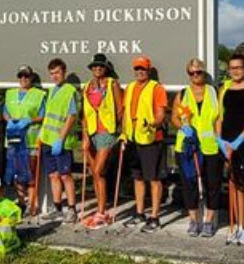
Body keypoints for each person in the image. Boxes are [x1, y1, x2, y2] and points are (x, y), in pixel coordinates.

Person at [171, 58, 221, 237]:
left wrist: (221, 139)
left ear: (203, 72)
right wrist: (183, 127)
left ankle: (209, 220)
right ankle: (193, 220)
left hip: (210, 146)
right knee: (189, 184)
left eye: (198, 72)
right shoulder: (183, 94)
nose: (195, 75)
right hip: (187, 147)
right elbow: (175, 117)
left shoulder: (214, 92)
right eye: (191, 72)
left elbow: (220, 118)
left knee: (213, 184)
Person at [215, 53, 244, 244]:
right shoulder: (224, 88)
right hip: (228, 143)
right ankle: (238, 224)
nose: (235, 71)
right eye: (232, 67)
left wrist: (240, 139)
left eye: (239, 67)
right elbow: (219, 117)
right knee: (235, 185)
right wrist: (220, 140)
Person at [121, 55, 168, 233]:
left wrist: (153, 124)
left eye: (143, 69)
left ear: (148, 70)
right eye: (137, 69)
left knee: (154, 178)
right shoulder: (130, 87)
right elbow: (126, 112)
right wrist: (124, 133)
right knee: (138, 177)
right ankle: (139, 213)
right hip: (133, 138)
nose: (140, 72)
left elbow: (161, 113)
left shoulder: (156, 88)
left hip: (151, 138)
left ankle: (155, 216)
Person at [80, 53, 123, 228]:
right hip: (92, 132)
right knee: (94, 173)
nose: (97, 69)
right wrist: (84, 136)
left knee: (98, 171)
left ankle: (101, 211)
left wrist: (122, 131)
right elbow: (84, 114)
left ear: (105, 68)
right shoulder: (87, 86)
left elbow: (120, 109)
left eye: (100, 66)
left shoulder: (112, 84)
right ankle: (100, 207)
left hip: (107, 131)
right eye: (94, 66)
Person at [38, 58, 80, 223]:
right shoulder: (52, 91)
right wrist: (42, 135)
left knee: (65, 176)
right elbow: (48, 116)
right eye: (52, 73)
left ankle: (71, 209)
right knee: (53, 175)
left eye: (57, 72)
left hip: (61, 141)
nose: (55, 76)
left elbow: (72, 116)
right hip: (48, 140)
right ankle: (57, 208)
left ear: (64, 72)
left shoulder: (70, 91)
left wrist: (61, 138)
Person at [3, 65, 46, 212]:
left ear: (31, 78)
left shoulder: (39, 94)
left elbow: (43, 115)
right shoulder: (10, 94)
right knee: (16, 174)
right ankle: (22, 202)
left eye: (26, 76)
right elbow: (5, 112)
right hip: (14, 139)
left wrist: (29, 120)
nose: (23, 79)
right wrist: (9, 120)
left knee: (31, 174)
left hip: (31, 140)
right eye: (21, 76)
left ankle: (32, 204)